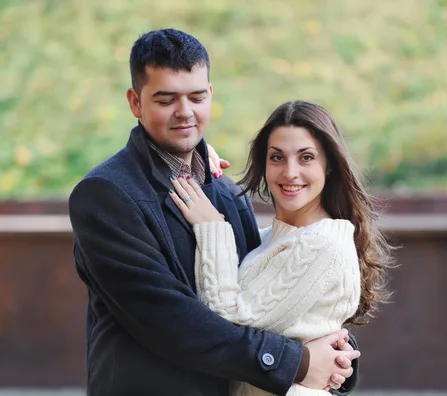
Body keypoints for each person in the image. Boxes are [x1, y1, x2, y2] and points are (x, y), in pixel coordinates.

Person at [68, 29, 360, 396]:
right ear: (135, 102)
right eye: (166, 99)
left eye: (196, 96)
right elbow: (167, 320)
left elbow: (266, 295)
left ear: (211, 96)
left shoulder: (226, 193)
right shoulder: (107, 195)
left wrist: (335, 356)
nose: (185, 112)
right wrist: (298, 363)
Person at [168, 100, 394, 395]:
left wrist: (212, 227)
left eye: (306, 157)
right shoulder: (273, 239)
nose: (289, 172)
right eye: (277, 157)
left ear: (329, 166)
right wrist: (198, 165)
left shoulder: (321, 244)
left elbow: (226, 323)